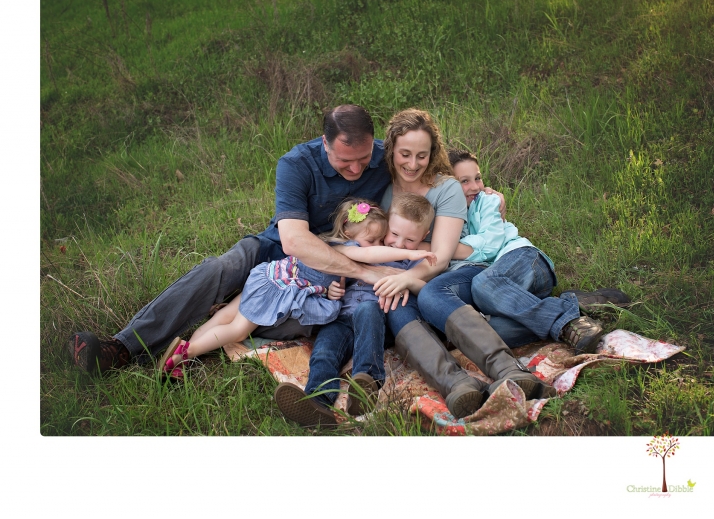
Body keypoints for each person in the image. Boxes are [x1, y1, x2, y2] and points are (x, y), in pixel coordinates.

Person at [68, 105, 398, 375]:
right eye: (344, 160)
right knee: (220, 268)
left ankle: (224, 315)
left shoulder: (385, 158)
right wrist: (365, 272)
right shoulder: (297, 164)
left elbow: (428, 175)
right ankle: (122, 347)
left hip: (326, 273)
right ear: (325, 144)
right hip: (275, 248)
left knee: (310, 313)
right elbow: (294, 242)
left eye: (363, 158)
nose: (356, 168)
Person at [370, 108, 554, 420]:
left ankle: (507, 369)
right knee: (393, 303)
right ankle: (456, 384)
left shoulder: (447, 187)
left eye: (422, 155)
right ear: (391, 150)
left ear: (433, 153)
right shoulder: (383, 190)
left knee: (429, 295)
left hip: (451, 273)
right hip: (407, 274)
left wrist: (408, 278)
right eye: (405, 154)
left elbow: (442, 257)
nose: (412, 164)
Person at [158, 198, 433, 383]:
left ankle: (184, 349)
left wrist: (330, 294)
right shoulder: (349, 248)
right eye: (371, 239)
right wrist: (414, 249)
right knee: (239, 330)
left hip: (272, 275)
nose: (375, 243)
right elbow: (373, 255)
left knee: (228, 315)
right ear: (350, 234)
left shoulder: (342, 246)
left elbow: (335, 282)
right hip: (281, 286)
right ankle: (184, 354)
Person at [425, 149, 629, 358]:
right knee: (491, 330)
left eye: (477, 178)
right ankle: (576, 307)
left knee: (482, 284)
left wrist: (443, 249)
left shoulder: (486, 201)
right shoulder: (445, 216)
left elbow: (489, 246)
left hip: (525, 261)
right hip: (507, 291)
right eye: (464, 181)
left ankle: (566, 321)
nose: (475, 186)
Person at [274, 193, 437, 427]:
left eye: (408, 241)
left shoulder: (408, 260)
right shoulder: (351, 248)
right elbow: (344, 274)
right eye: (392, 235)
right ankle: (318, 401)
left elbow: (425, 287)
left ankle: (366, 383)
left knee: (368, 309)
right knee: (324, 351)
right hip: (341, 317)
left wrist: (408, 279)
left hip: (375, 318)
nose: (395, 244)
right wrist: (332, 291)